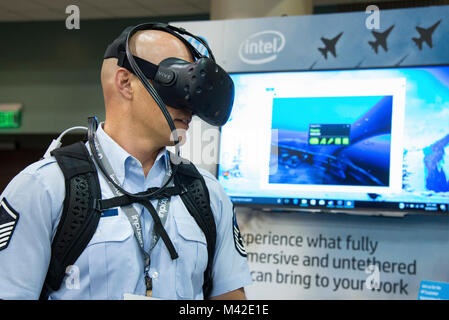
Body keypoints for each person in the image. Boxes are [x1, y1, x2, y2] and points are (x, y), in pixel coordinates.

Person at [0, 25, 253, 300]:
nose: (189, 105)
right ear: (125, 82)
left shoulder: (207, 194)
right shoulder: (44, 190)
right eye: (178, 84)